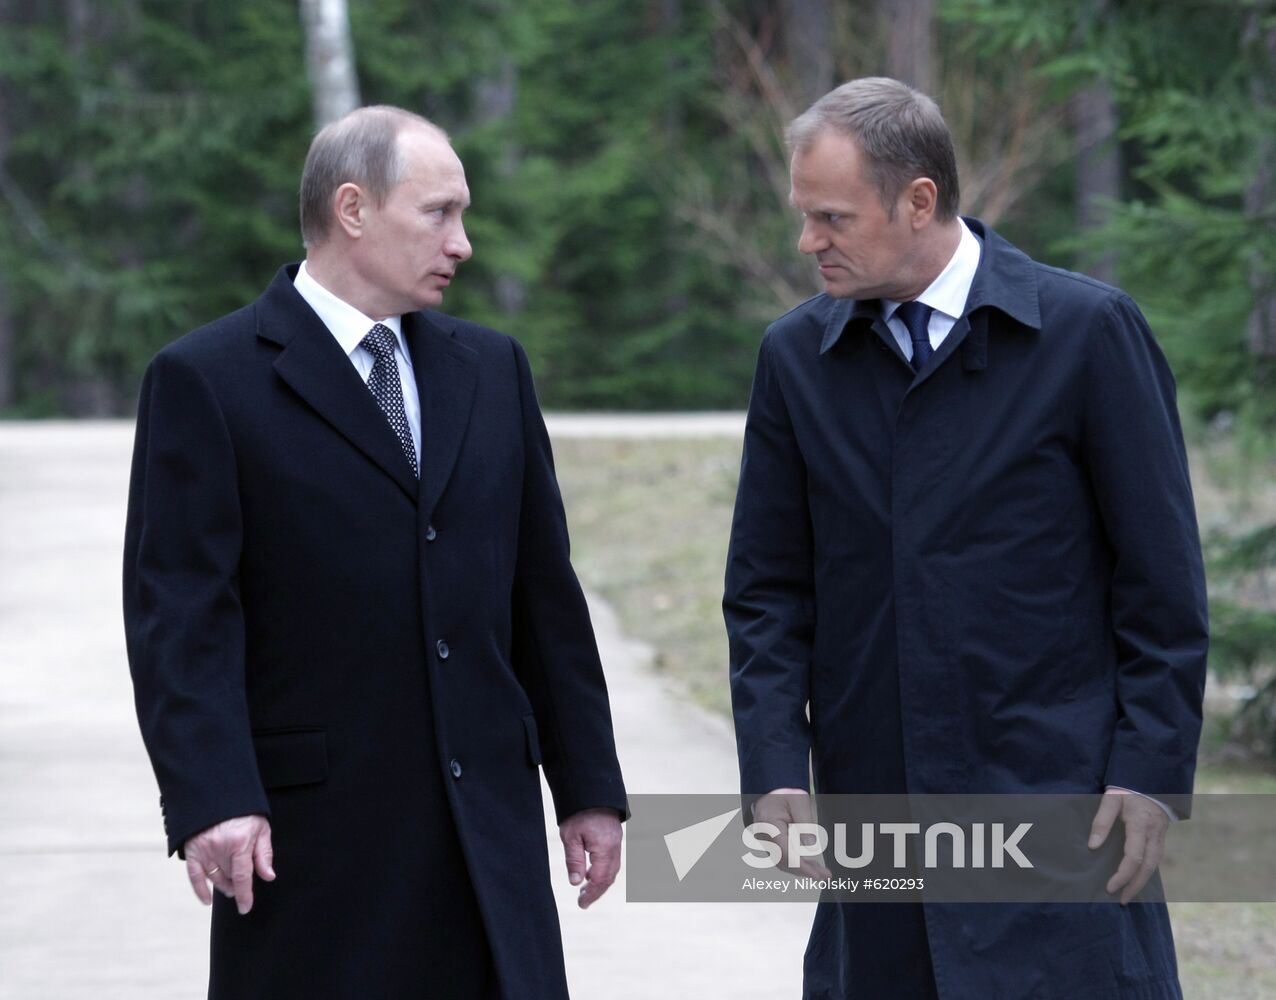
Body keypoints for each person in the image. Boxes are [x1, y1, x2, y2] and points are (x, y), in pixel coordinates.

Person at [123, 105, 627, 1000]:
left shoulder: (494, 369)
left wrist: (587, 784)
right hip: (314, 846)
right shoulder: (208, 380)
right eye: (438, 213)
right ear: (353, 209)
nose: (462, 243)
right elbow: (182, 618)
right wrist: (212, 796)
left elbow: (543, 594)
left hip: (487, 840)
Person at [723, 78, 1207, 999]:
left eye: (831, 217)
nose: (806, 242)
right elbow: (768, 593)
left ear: (919, 200)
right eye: (803, 215)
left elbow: (1163, 585)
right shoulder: (794, 359)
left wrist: (1149, 772)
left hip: (1061, 805)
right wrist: (775, 765)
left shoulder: (1089, 335)